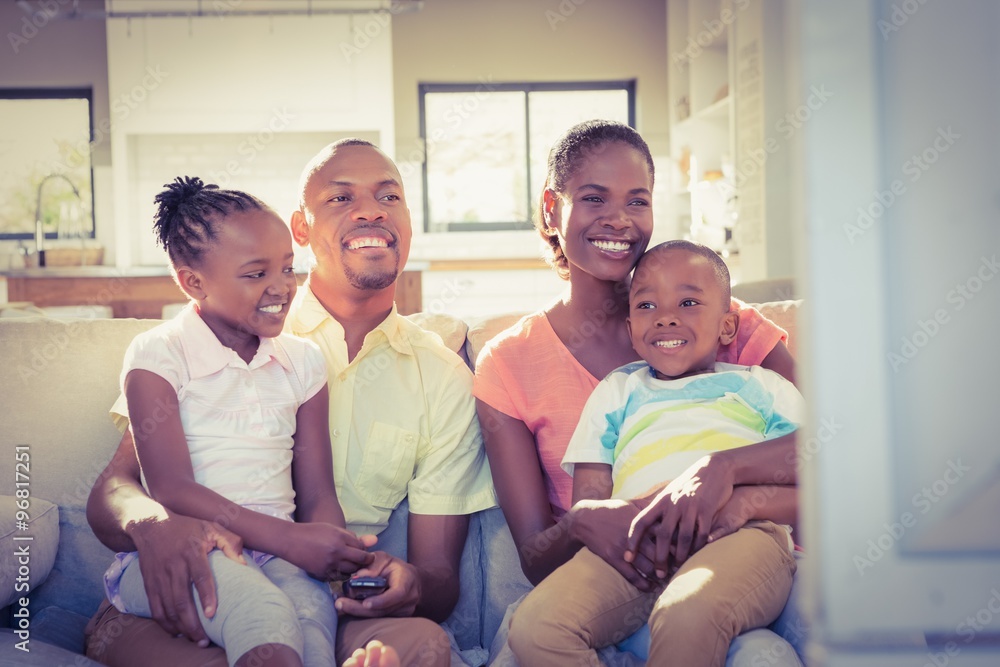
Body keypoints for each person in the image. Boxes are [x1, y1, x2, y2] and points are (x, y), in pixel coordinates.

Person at [85, 139, 497, 667]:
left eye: (389, 196)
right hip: (187, 584)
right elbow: (117, 488)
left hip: (318, 595)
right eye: (341, 198)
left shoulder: (441, 377)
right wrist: (155, 526)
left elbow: (440, 583)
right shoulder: (220, 327)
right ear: (301, 228)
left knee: (422, 645)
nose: (371, 210)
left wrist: (403, 582)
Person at [473, 120, 802, 661]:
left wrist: (725, 474)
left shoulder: (722, 320)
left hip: (750, 555)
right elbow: (537, 555)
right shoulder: (509, 363)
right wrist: (587, 518)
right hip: (622, 565)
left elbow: (835, 453)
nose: (619, 220)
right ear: (551, 210)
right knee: (530, 635)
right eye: (594, 198)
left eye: (637, 201)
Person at [103, 176, 366, 667]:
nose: (282, 287)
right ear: (193, 282)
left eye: (288, 268)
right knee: (263, 611)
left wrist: (330, 547)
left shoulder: (303, 362)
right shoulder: (159, 353)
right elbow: (171, 488)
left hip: (283, 559)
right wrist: (289, 539)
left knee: (311, 620)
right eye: (255, 273)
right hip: (184, 554)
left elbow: (316, 494)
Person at [508, 240, 803, 666]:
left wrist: (741, 499)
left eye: (687, 302)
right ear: (630, 329)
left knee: (686, 613)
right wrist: (614, 520)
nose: (666, 317)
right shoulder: (618, 391)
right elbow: (592, 503)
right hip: (636, 543)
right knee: (537, 627)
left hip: (742, 537)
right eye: (646, 306)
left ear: (727, 327)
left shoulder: (759, 385)